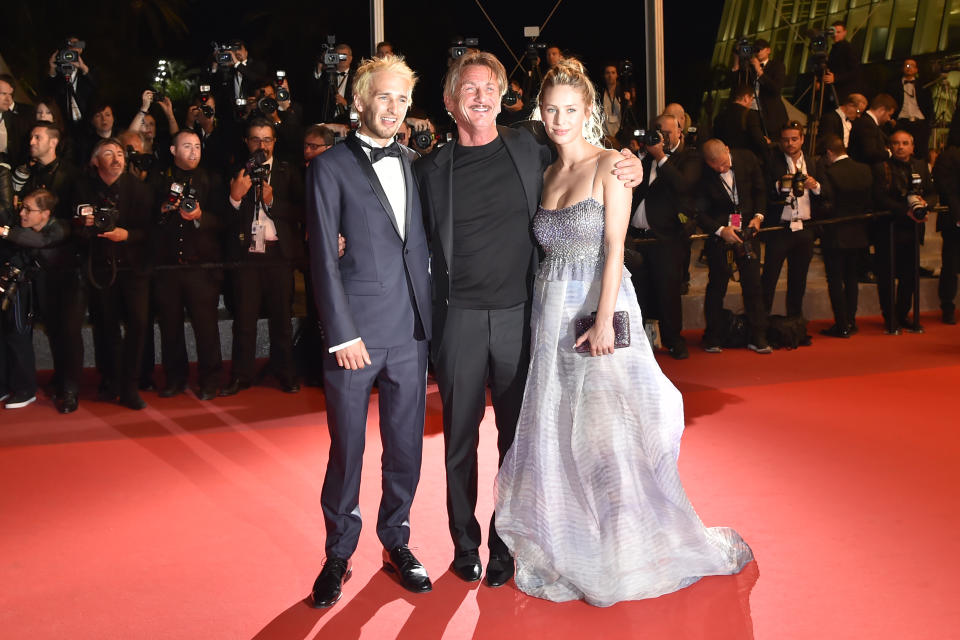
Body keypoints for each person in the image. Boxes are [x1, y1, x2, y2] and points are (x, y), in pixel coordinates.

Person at [495, 58, 753, 607]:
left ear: (588, 111)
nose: (559, 119)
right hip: (549, 312)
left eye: (570, 110)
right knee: (557, 427)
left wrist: (606, 320)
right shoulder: (544, 171)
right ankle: (572, 540)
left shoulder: (612, 164)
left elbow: (615, 249)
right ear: (540, 112)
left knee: (608, 434)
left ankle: (624, 547)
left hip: (598, 306)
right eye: (550, 109)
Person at [415, 50, 643, 589]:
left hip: (524, 318)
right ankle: (465, 544)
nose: (480, 96)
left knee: (519, 441)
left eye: (489, 87)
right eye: (468, 89)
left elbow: (589, 151)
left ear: (503, 97)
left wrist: (628, 158)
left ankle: (505, 543)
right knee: (459, 442)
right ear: (450, 102)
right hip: (460, 322)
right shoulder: (428, 170)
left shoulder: (529, 144)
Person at [306, 54, 433, 607]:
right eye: (384, 96)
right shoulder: (328, 166)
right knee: (348, 449)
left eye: (402, 98)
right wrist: (341, 333)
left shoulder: (414, 162)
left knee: (405, 448)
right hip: (354, 336)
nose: (394, 107)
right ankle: (338, 552)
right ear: (359, 101)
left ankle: (396, 540)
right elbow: (322, 260)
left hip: (412, 333)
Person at [220, 118, 302, 395]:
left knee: (282, 319)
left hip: (278, 255)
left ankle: (286, 373)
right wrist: (234, 198)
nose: (262, 145)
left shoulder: (287, 171)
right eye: (256, 139)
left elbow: (302, 211)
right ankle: (241, 375)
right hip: (246, 257)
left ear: (274, 142)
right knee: (244, 320)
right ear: (247, 142)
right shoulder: (235, 170)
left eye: (267, 139)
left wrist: (272, 202)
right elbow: (221, 219)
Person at [697, 139, 769, 352]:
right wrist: (720, 230)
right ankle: (713, 337)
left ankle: (758, 336)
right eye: (716, 166)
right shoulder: (702, 173)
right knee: (716, 286)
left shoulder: (747, 158)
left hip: (748, 231)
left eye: (724, 163)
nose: (722, 169)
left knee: (753, 285)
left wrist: (758, 218)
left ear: (728, 150)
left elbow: (760, 190)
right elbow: (698, 211)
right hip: (720, 235)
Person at [761, 122, 830, 322]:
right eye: (785, 140)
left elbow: (827, 192)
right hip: (780, 228)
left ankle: (795, 321)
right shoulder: (772, 162)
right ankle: (761, 322)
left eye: (794, 139)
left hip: (805, 228)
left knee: (798, 278)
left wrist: (814, 184)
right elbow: (763, 191)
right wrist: (781, 184)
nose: (790, 143)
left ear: (802, 139)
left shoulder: (813, 162)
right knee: (769, 278)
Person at [873, 129, 932, 332]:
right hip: (888, 230)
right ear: (890, 146)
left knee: (910, 276)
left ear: (912, 146)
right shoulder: (882, 168)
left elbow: (933, 194)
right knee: (887, 276)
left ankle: (903, 314)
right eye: (896, 143)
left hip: (913, 230)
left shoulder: (921, 166)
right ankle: (890, 318)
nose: (900, 147)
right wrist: (904, 210)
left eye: (905, 143)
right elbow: (879, 197)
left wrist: (925, 204)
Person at [817, 135, 873, 337]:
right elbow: (869, 201)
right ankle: (851, 320)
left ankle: (841, 324)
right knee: (851, 279)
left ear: (829, 152)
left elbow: (827, 203)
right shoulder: (864, 170)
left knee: (835, 280)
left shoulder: (830, 173)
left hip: (835, 232)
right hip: (858, 232)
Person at [933, 141, 960, 324]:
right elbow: (945, 189)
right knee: (950, 264)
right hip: (954, 219)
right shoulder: (949, 156)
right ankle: (947, 306)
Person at [886, 59, 933, 159]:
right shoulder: (894, 86)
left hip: (920, 123)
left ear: (916, 69)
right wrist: (891, 120)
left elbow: (929, 105)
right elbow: (888, 102)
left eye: (911, 66)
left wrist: (928, 123)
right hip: (901, 123)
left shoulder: (923, 86)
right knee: (900, 150)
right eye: (906, 65)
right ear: (902, 68)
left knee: (921, 152)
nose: (908, 68)